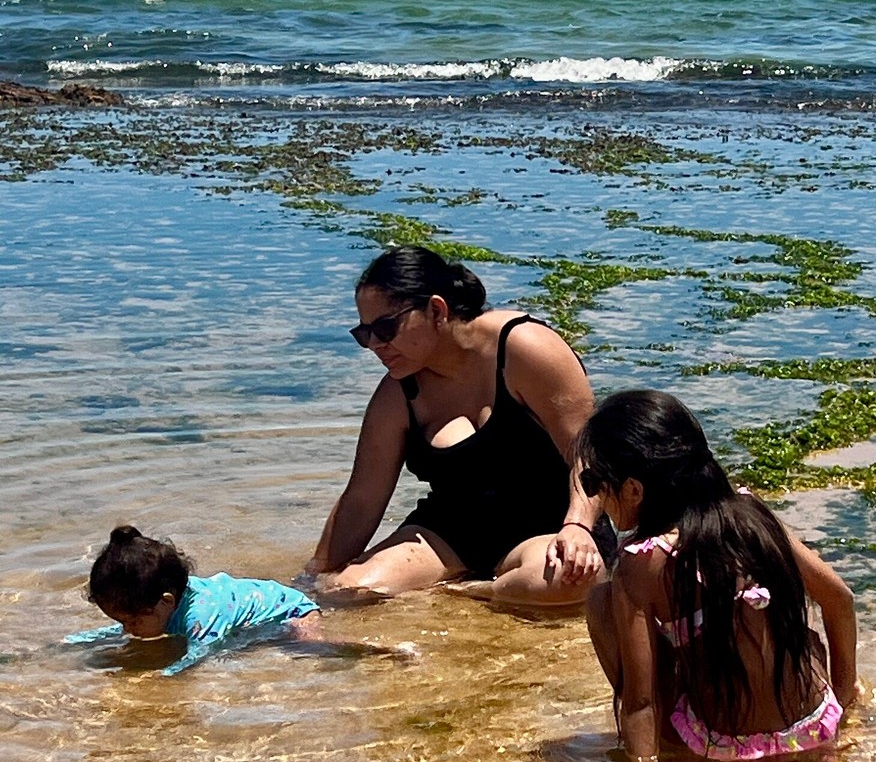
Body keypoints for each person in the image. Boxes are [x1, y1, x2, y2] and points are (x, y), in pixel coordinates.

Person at [578, 390, 858, 762]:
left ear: (633, 490)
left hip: (722, 749)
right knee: (802, 636)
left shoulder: (640, 564)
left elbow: (641, 703)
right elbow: (840, 599)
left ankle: (683, 751)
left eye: (594, 481)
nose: (593, 494)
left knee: (601, 602)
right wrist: (843, 700)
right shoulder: (752, 515)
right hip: (810, 731)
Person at [305, 245, 609, 603]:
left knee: (567, 580)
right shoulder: (398, 392)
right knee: (345, 589)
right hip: (451, 532)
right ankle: (482, 587)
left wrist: (577, 526)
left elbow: (589, 456)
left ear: (436, 310)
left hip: (551, 523)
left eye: (385, 328)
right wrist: (310, 582)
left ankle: (472, 592)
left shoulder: (525, 349)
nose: (373, 344)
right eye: (364, 333)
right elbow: (362, 498)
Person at [67, 525, 335, 676]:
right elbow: (123, 627)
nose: (126, 629)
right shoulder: (159, 601)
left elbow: (201, 652)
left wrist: (165, 673)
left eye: (132, 621)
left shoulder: (200, 616)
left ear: (166, 602)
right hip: (262, 603)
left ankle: (347, 652)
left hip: (293, 612)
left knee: (309, 648)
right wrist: (81, 640)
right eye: (121, 621)